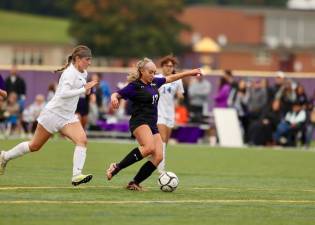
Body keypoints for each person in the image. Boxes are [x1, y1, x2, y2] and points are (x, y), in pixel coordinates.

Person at [0, 45, 98, 186]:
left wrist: (87, 90)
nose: (89, 62)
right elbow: (63, 94)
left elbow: (80, 90)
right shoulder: (69, 73)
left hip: (68, 118)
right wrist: (83, 89)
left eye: (90, 60)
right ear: (77, 59)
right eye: (87, 59)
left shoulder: (83, 73)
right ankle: (4, 156)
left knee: (82, 140)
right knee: (34, 146)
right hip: (53, 114)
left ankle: (76, 175)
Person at [106, 57, 201, 191]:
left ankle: (134, 183)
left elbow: (171, 78)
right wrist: (113, 98)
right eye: (150, 72)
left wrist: (190, 73)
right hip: (139, 121)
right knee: (149, 147)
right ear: (142, 71)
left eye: (154, 72)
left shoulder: (155, 82)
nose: (153, 75)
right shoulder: (135, 86)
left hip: (152, 124)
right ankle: (116, 167)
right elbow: (117, 94)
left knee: (158, 156)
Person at [155, 55, 184, 174]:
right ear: (162, 67)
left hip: (170, 113)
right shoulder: (157, 78)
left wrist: (179, 96)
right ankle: (161, 169)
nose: (169, 68)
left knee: (165, 142)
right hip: (158, 112)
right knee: (161, 139)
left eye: (171, 66)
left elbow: (180, 94)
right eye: (167, 65)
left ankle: (155, 158)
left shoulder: (177, 80)